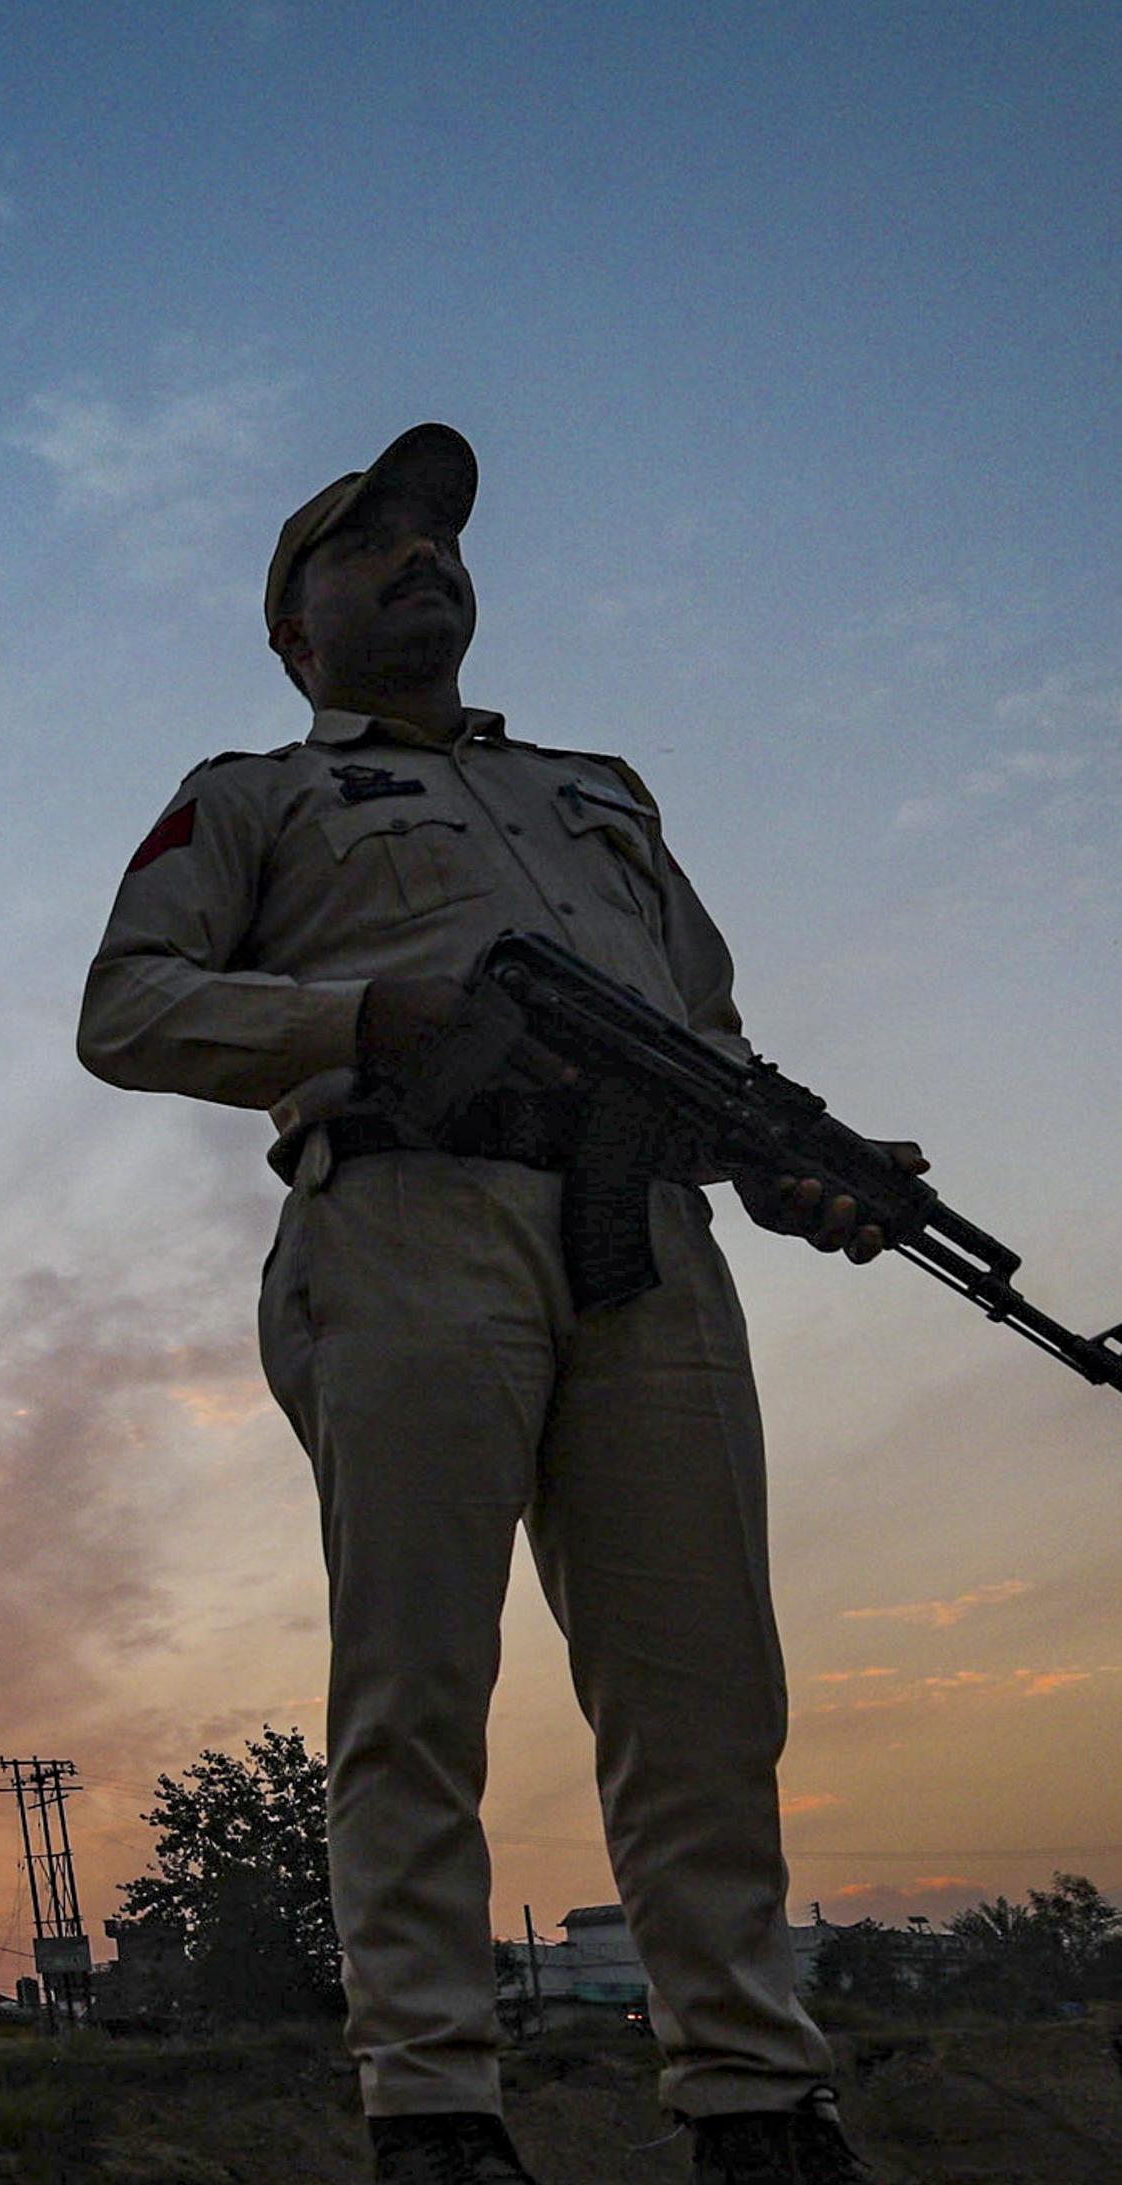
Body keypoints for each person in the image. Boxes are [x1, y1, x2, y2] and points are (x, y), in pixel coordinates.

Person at [77, 423, 898, 2185]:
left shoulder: (601, 792)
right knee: (415, 1679)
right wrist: (351, 1019)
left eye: (432, 538)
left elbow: (708, 1032)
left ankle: (752, 2095)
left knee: (700, 1692)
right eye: (359, 545)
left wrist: (787, 1165)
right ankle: (433, 2106)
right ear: (291, 635)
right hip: (401, 1219)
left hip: (643, 1234)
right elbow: (127, 1011)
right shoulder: (252, 796)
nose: (413, 558)